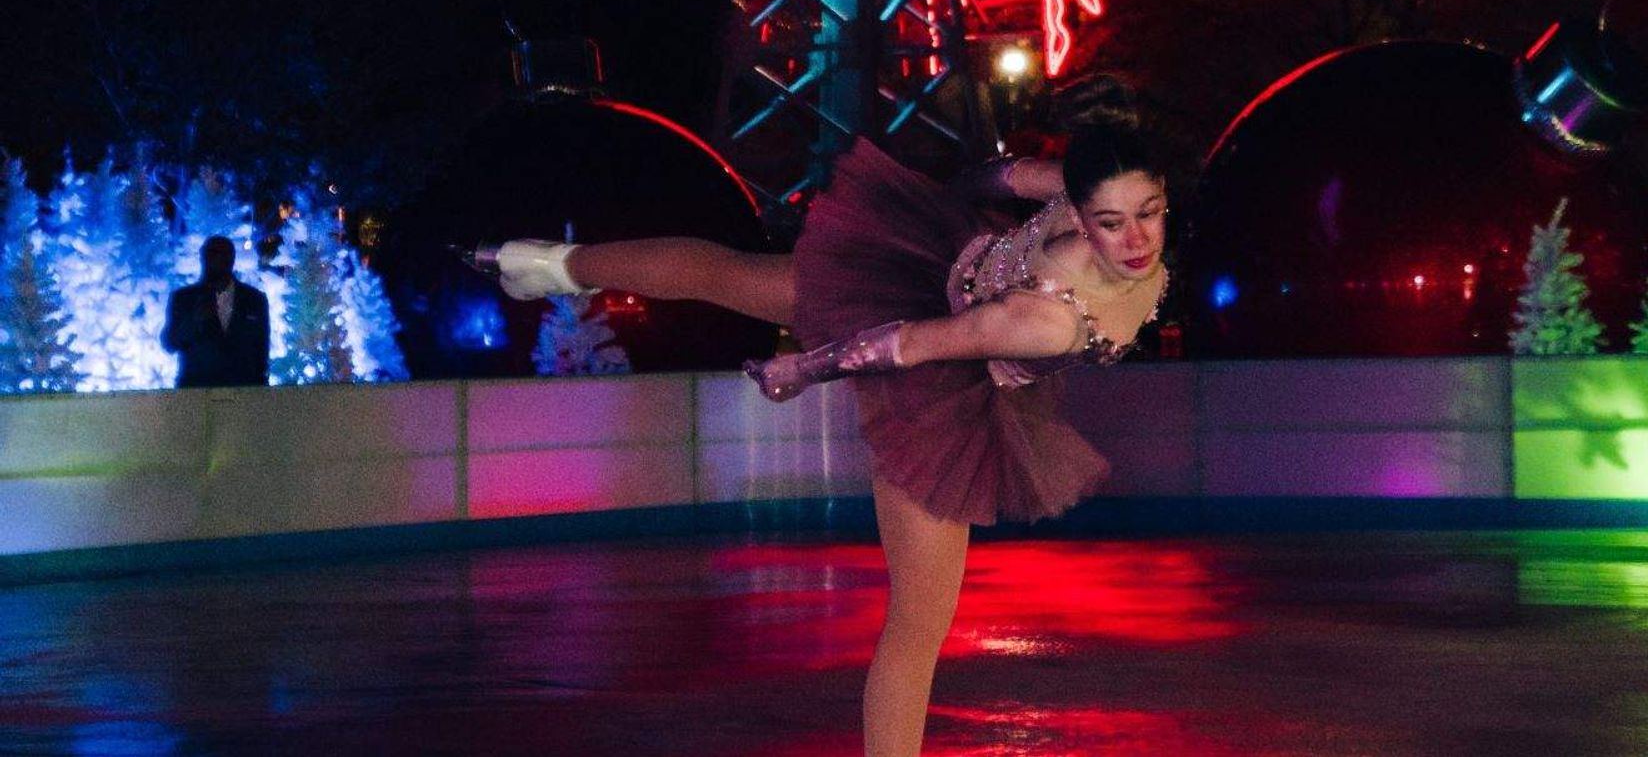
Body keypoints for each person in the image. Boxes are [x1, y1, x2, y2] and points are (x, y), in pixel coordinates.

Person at [467, 78, 1170, 757]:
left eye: (1150, 212)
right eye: (1113, 222)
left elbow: (993, 180)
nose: (1138, 239)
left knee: (732, 274)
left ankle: (551, 262)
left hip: (933, 270)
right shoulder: (1043, 321)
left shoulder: (1074, 184)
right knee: (920, 621)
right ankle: (559, 263)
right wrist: (800, 368)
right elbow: (905, 345)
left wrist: (957, 224)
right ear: (1079, 215)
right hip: (933, 376)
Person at [163, 235, 271, 388]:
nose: (217, 260)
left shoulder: (254, 300)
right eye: (212, 254)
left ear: (232, 259)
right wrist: (195, 320)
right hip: (195, 394)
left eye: (223, 255)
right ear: (203, 257)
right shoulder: (184, 298)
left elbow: (262, 351)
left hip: (243, 394)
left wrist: (260, 392)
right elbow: (169, 343)